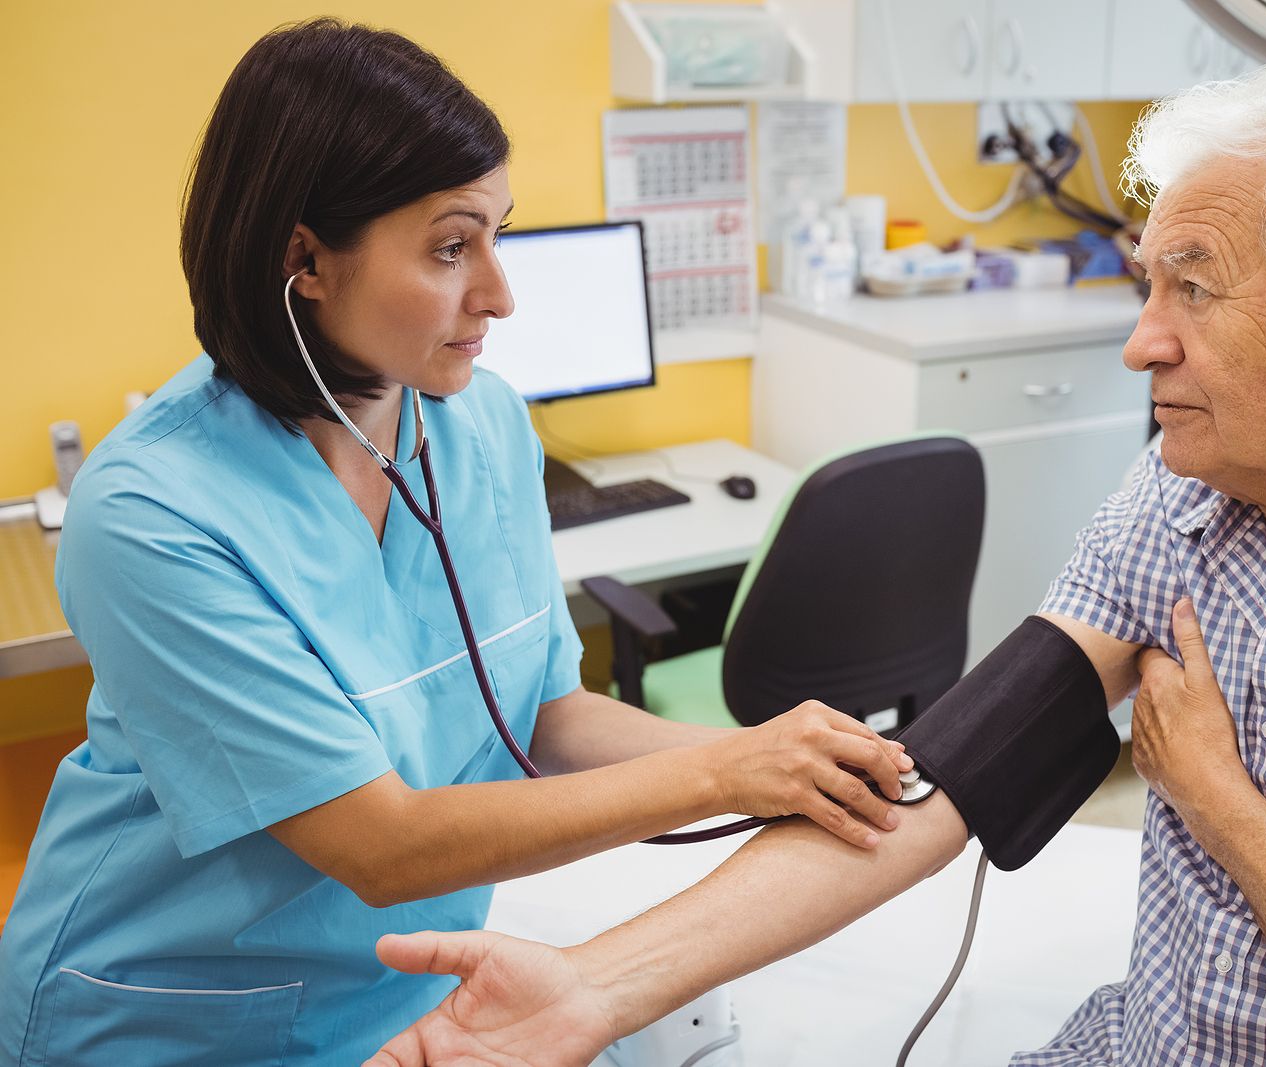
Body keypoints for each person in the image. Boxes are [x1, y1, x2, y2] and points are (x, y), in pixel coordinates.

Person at [368, 59, 1266, 1067]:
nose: (1141, 343)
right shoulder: (1186, 494)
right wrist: (595, 983)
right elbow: (941, 784)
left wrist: (1219, 803)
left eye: (1194, 288)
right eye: (1145, 282)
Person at [0, 19, 914, 1065]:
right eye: (450, 246)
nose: (501, 292)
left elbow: (550, 714)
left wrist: (805, 763)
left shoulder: (481, 423)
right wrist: (730, 775)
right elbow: (381, 844)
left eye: (497, 233)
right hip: (171, 1015)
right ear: (304, 257)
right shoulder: (152, 512)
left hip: (415, 988)